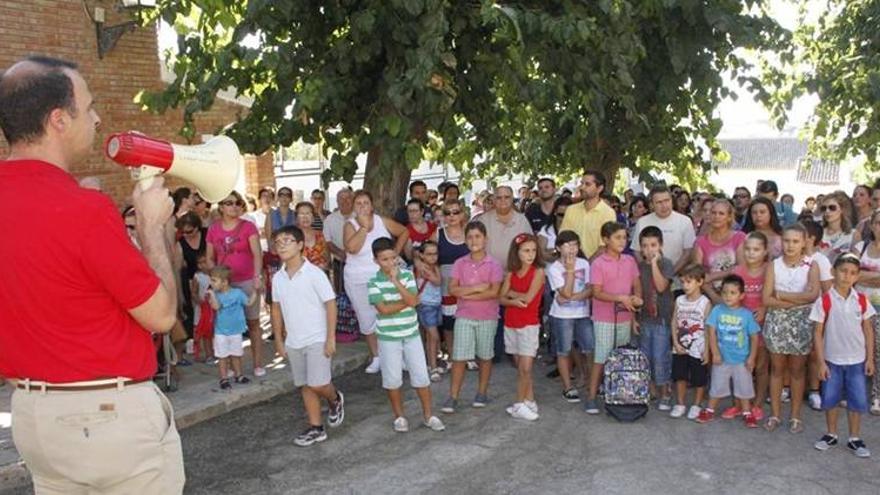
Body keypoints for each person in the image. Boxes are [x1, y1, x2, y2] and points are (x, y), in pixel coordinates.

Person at [0, 55, 185, 493]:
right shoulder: (84, 210)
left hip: (32, 415)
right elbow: (161, 316)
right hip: (108, 416)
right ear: (59, 120)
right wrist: (152, 229)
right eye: (90, 107)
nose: (98, 118)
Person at [270, 225, 345, 446]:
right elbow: (276, 309)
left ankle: (334, 399)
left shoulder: (314, 273)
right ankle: (316, 427)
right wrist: (278, 339)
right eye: (278, 242)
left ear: (301, 245)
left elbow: (330, 304)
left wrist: (330, 337)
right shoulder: (278, 278)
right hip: (294, 339)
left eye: (287, 240)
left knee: (318, 383)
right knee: (305, 385)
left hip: (317, 337)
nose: (282, 245)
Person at [368, 237, 446, 433]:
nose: (390, 263)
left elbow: (414, 301)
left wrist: (396, 281)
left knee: (421, 376)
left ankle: (428, 415)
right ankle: (399, 416)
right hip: (388, 337)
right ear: (375, 260)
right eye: (384, 259)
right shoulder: (372, 282)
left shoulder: (407, 275)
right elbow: (384, 309)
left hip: (411, 334)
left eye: (393, 258)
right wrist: (408, 301)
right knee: (392, 379)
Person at [811, 254, 876, 458]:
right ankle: (831, 433)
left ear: (857, 277)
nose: (847, 276)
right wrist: (821, 362)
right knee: (830, 399)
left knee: (856, 400)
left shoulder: (862, 301)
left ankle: (854, 437)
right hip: (832, 360)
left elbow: (868, 330)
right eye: (843, 271)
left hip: (856, 360)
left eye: (853, 273)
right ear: (833, 272)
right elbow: (817, 333)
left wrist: (870, 358)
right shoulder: (825, 301)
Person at [762, 223, 821, 433]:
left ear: (804, 242)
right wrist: (797, 301)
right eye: (787, 240)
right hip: (777, 321)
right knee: (777, 369)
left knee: (797, 371)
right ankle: (775, 414)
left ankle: (795, 416)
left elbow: (813, 295)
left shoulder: (811, 265)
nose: (790, 245)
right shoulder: (774, 265)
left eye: (795, 241)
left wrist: (783, 295)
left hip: (802, 323)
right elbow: (767, 298)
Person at [441, 222, 504, 413]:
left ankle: (482, 392)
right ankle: (453, 396)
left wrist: (465, 292)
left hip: (487, 316)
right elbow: (453, 289)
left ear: (485, 239)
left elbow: (493, 293)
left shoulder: (494, 264)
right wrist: (477, 288)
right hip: (464, 316)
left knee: (485, 356)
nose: (473, 240)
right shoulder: (460, 263)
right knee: (459, 357)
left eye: (477, 236)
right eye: (469, 237)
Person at [343, 190, 408, 373]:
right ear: (354, 207)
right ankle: (377, 356)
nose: (363, 206)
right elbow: (352, 248)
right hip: (357, 279)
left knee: (390, 317)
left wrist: (394, 253)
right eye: (359, 203)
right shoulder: (350, 225)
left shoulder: (381, 221)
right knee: (367, 318)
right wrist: (363, 228)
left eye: (366, 203)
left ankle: (398, 356)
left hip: (383, 276)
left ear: (372, 206)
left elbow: (403, 232)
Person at [584, 222, 643, 414]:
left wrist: (635, 303)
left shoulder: (630, 261)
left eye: (624, 237)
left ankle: (619, 394)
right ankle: (591, 397)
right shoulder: (598, 263)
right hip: (604, 318)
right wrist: (619, 298)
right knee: (601, 358)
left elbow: (636, 285)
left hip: (625, 317)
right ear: (605, 240)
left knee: (621, 358)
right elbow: (597, 292)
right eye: (617, 237)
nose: (622, 241)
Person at [205, 191, 266, 376]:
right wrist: (216, 277)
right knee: (226, 324)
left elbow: (257, 254)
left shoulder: (248, 227)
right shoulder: (214, 229)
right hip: (225, 285)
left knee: (253, 322)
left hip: (247, 279)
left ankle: (257, 363)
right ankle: (232, 366)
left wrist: (257, 276)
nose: (234, 206)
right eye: (229, 203)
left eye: (237, 203)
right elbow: (209, 258)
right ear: (221, 207)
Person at [696, 275, 761, 427]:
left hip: (741, 359)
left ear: (741, 295)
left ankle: (746, 412)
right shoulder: (717, 310)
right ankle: (710, 410)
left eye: (733, 293)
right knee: (717, 385)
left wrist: (752, 358)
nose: (728, 296)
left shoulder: (746, 314)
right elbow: (711, 332)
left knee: (744, 387)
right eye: (724, 292)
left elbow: (754, 338)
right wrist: (715, 353)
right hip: (722, 358)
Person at [500, 234, 546, 421]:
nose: (531, 254)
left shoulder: (539, 272)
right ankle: (529, 399)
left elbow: (527, 299)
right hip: (511, 323)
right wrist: (512, 298)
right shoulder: (511, 272)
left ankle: (519, 403)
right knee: (520, 365)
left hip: (529, 323)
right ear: (516, 253)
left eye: (533, 250)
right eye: (526, 251)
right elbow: (501, 298)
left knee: (526, 367)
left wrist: (510, 295)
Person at [547, 230, 593, 403]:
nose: (571, 249)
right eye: (567, 245)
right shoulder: (554, 268)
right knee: (564, 350)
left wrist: (572, 298)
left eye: (575, 245)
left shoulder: (585, 263)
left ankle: (590, 380)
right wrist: (571, 271)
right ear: (558, 248)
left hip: (583, 312)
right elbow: (564, 292)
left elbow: (589, 289)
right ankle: (568, 386)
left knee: (589, 348)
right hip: (561, 315)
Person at [636, 226, 675, 411]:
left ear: (660, 245)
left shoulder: (666, 264)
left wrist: (653, 264)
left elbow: (660, 287)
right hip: (644, 318)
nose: (649, 250)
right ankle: (650, 389)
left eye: (653, 245)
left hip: (661, 320)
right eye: (645, 246)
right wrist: (634, 318)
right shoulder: (638, 266)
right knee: (646, 356)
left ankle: (665, 390)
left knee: (660, 356)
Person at [732, 232, 770, 419]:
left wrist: (764, 307)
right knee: (739, 365)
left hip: (761, 324)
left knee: (761, 365)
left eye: (756, 249)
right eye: (747, 249)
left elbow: (775, 294)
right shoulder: (738, 271)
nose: (751, 253)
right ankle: (738, 403)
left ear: (765, 251)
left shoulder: (770, 270)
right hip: (740, 326)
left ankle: (758, 403)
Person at [670, 264, 712, 420]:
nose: (685, 285)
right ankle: (680, 403)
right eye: (682, 282)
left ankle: (696, 404)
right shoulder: (679, 300)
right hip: (680, 345)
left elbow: (708, 328)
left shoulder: (705, 302)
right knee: (680, 375)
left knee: (698, 378)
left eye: (689, 282)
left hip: (698, 347)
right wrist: (675, 342)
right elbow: (674, 321)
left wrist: (707, 350)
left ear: (700, 282)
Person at [431, 198, 470, 371]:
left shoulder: (470, 233)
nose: (452, 216)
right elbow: (425, 255)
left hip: (468, 283)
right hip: (446, 284)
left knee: (468, 320)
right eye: (447, 213)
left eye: (455, 212)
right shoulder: (438, 234)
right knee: (449, 323)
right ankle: (454, 356)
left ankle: (467, 355)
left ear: (462, 214)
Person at [630, 185, 696, 280]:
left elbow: (688, 252)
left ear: (672, 201)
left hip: (677, 278)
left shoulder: (685, 221)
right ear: (651, 204)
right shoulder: (642, 222)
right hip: (649, 278)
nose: (664, 206)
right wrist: (649, 271)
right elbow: (637, 251)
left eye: (667, 200)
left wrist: (670, 274)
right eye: (659, 202)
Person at [207, 265, 257, 389]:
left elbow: (249, 302)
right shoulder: (215, 295)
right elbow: (216, 307)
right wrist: (212, 294)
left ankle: (238, 374)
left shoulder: (238, 293)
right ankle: (224, 378)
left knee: (236, 354)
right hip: (221, 331)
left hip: (236, 330)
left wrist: (256, 291)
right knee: (222, 356)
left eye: (214, 280)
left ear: (224, 282)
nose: (211, 283)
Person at [851, 210, 880, 415]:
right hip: (857, 307)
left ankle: (876, 396)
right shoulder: (860, 248)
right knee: (856, 349)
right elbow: (848, 274)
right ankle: (853, 391)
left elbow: (857, 275)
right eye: (878, 222)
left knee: (878, 354)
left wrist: (862, 276)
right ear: (871, 225)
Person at [693, 199, 746, 304]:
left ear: (729, 217)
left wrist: (713, 276)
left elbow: (742, 267)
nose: (716, 216)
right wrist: (715, 297)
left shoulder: (740, 237)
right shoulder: (700, 242)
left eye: (721, 213)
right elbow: (697, 274)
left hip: (737, 296)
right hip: (709, 297)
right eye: (714, 213)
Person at [560, 171, 617, 259]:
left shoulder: (608, 213)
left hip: (596, 266)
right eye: (582, 183)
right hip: (571, 263)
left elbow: (604, 246)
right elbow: (564, 239)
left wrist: (586, 266)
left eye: (587, 184)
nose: (582, 187)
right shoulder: (571, 210)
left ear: (599, 188)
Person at [413, 241, 444, 381]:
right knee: (434, 336)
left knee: (431, 338)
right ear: (422, 255)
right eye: (429, 254)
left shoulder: (434, 266)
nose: (433, 257)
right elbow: (437, 281)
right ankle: (432, 365)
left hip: (436, 304)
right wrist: (417, 260)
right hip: (426, 305)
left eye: (435, 254)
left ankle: (432, 365)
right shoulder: (422, 268)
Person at [323, 187, 354, 291]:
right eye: (341, 198)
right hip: (339, 262)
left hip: (358, 260)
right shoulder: (330, 219)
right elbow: (327, 241)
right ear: (337, 201)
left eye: (348, 198)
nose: (345, 201)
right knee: (341, 292)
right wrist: (341, 253)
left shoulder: (359, 217)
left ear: (353, 200)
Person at [191, 253, 215, 363]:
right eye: (201, 262)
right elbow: (194, 292)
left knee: (215, 330)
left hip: (214, 307)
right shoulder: (198, 277)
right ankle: (208, 354)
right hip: (203, 309)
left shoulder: (215, 275)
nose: (203, 264)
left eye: (205, 261)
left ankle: (217, 351)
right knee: (205, 332)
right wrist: (199, 302)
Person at [819, 191, 855, 264]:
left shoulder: (854, 234)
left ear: (842, 209)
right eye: (824, 208)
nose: (827, 211)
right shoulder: (818, 232)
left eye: (832, 208)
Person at [295, 201, 329, 272]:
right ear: (296, 218)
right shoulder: (292, 237)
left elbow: (327, 258)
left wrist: (324, 266)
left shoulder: (320, 235)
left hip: (319, 278)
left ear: (313, 218)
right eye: (301, 214)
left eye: (308, 213)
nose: (305, 217)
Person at [537, 196, 572, 262]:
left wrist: (553, 251)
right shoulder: (546, 230)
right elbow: (541, 254)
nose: (564, 218)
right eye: (561, 215)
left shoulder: (575, 229)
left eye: (567, 215)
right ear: (555, 212)